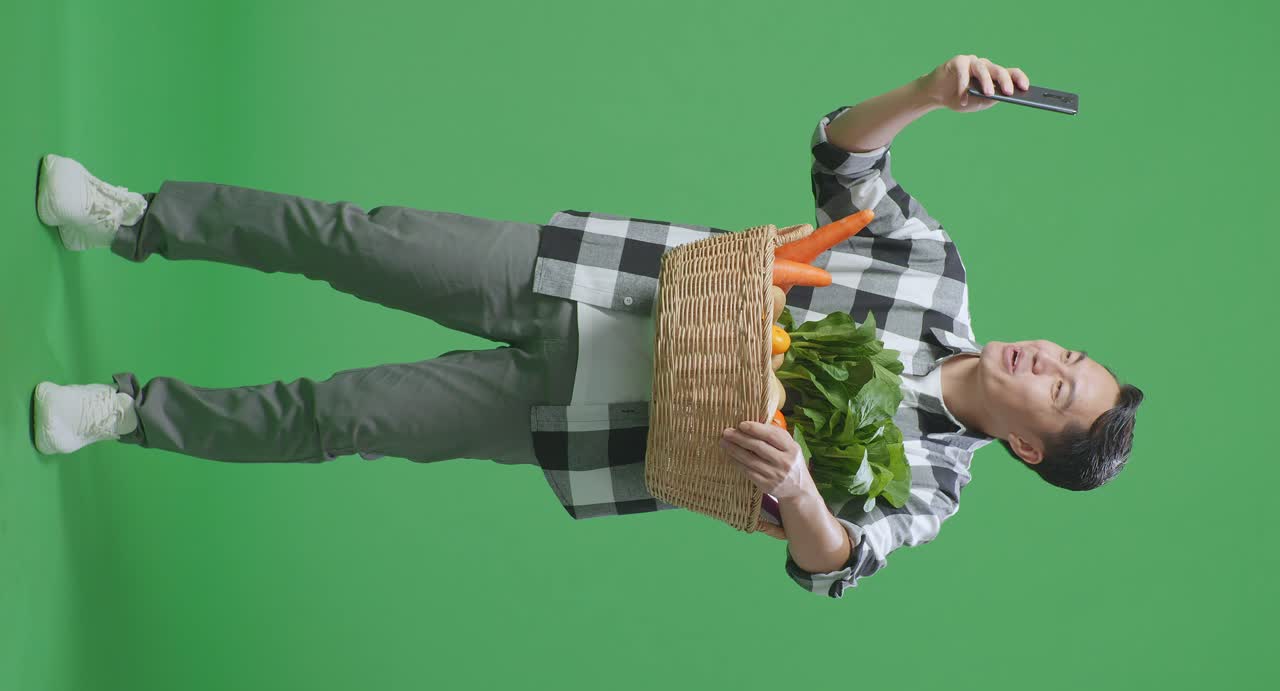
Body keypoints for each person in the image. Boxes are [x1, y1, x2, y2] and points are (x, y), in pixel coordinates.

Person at [31, 53, 1143, 598]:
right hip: (594, 277)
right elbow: (842, 160)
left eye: (1059, 388)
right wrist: (925, 93)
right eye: (1069, 356)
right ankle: (132, 220)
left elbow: (835, 567)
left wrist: (805, 495)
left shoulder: (931, 488)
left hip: (587, 420)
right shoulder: (936, 276)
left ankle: (127, 413)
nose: (1047, 358)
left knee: (343, 417)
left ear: (1027, 444)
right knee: (353, 237)